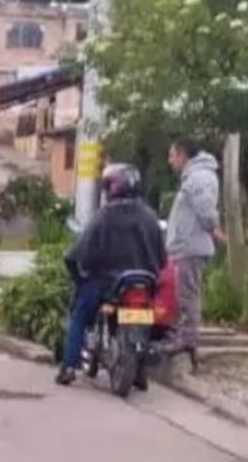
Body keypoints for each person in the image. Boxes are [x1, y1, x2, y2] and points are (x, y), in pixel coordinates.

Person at [55, 162, 167, 385]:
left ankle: (68, 366)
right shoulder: (149, 216)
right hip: (142, 283)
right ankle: (140, 370)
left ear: (111, 187)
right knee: (144, 318)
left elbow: (77, 254)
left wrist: (79, 277)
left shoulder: (104, 216)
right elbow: (162, 257)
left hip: (105, 283)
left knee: (79, 315)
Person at [166, 137, 225, 355]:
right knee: (185, 292)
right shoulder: (195, 176)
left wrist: (213, 228)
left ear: (182, 155)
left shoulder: (200, 177)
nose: (170, 161)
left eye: (172, 156)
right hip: (187, 244)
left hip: (191, 245)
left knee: (187, 294)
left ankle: (187, 339)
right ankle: (184, 334)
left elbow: (206, 209)